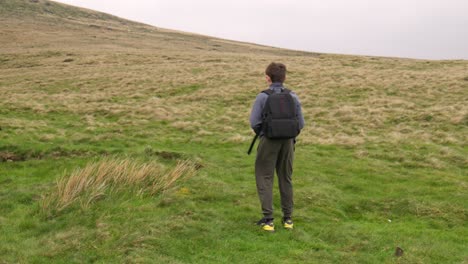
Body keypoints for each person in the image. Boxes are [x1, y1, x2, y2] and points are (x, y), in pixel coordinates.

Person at [249, 62, 305, 232]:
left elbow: (254, 122)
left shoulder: (263, 97)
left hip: (268, 140)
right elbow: (301, 123)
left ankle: (268, 220)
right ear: (284, 77)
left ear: (267, 78)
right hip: (288, 141)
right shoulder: (293, 96)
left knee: (264, 176)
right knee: (285, 178)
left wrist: (265, 134)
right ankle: (288, 220)